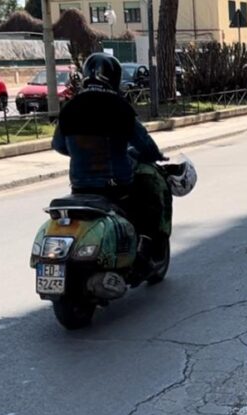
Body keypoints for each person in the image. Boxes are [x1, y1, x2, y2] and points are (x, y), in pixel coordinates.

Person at [51, 53, 170, 270]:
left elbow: (58, 145)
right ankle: (147, 252)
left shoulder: (70, 107)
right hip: (116, 187)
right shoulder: (119, 107)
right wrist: (155, 155)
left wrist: (80, 153)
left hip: (80, 187)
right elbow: (143, 142)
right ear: (115, 78)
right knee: (149, 203)